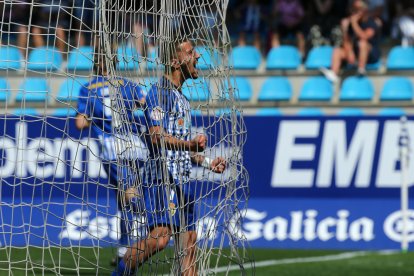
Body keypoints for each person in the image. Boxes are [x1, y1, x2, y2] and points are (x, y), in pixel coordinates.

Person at [113, 39, 227, 276]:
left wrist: (207, 162)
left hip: (182, 182)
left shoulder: (182, 99)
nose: (197, 56)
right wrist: (189, 144)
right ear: (175, 61)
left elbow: (183, 149)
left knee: (190, 245)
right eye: (191, 52)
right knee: (159, 239)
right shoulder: (160, 93)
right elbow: (156, 137)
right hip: (161, 179)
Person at [75, 47, 147, 265]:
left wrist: (93, 118)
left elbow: (80, 124)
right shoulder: (128, 85)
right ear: (116, 62)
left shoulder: (87, 88)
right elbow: (145, 105)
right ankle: (124, 248)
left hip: (111, 147)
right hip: (135, 145)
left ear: (95, 62)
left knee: (128, 195)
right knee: (123, 199)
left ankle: (147, 230)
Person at [321, 0, 381, 83]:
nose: (355, 12)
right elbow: (346, 42)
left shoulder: (371, 22)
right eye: (353, 9)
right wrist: (345, 30)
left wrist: (354, 23)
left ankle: (361, 69)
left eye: (358, 9)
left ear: (365, 10)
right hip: (356, 53)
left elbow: (364, 37)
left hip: (370, 55)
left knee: (362, 43)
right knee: (337, 50)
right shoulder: (350, 25)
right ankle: (333, 73)